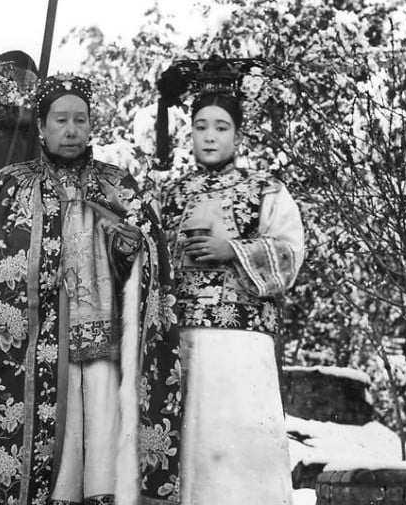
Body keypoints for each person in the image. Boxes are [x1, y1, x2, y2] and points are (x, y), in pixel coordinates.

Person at [0, 75, 181, 505]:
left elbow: (152, 265)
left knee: (100, 441)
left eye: (80, 120)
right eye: (60, 120)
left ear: (91, 127)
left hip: (103, 348)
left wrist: (129, 250)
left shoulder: (119, 186)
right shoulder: (9, 185)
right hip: (34, 347)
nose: (71, 130)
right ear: (42, 127)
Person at [157, 57, 305, 505]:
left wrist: (233, 250)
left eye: (221, 127)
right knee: (191, 449)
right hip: (184, 338)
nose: (209, 136)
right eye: (201, 126)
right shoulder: (171, 194)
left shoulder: (266, 189)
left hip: (242, 342)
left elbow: (290, 254)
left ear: (238, 135)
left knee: (240, 453)